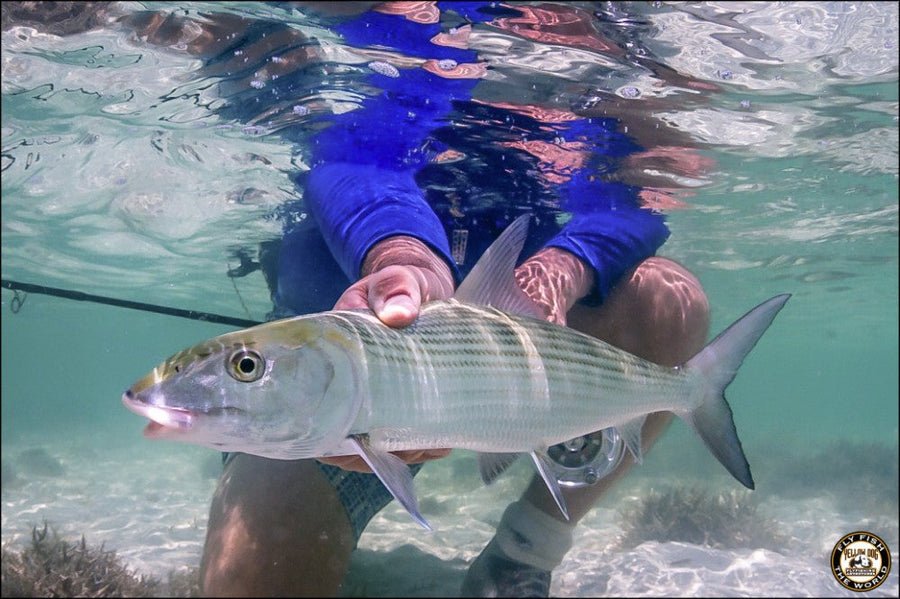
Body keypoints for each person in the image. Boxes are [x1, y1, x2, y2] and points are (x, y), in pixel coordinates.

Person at [3, 2, 711, 596]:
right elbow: (351, 153)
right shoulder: (379, 32)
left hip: (521, 373)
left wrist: (565, 265)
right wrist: (402, 254)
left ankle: (525, 552)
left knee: (670, 301)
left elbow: (646, 180)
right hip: (333, 407)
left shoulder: (607, 41)